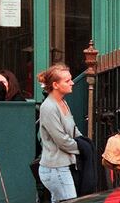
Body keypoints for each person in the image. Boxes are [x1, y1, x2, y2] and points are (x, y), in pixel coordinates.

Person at [37, 63, 80, 202]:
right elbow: (61, 139)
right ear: (55, 85)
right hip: (55, 168)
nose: (72, 83)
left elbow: (73, 130)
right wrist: (82, 148)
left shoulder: (63, 102)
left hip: (62, 166)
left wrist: (83, 141)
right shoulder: (49, 107)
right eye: (67, 81)